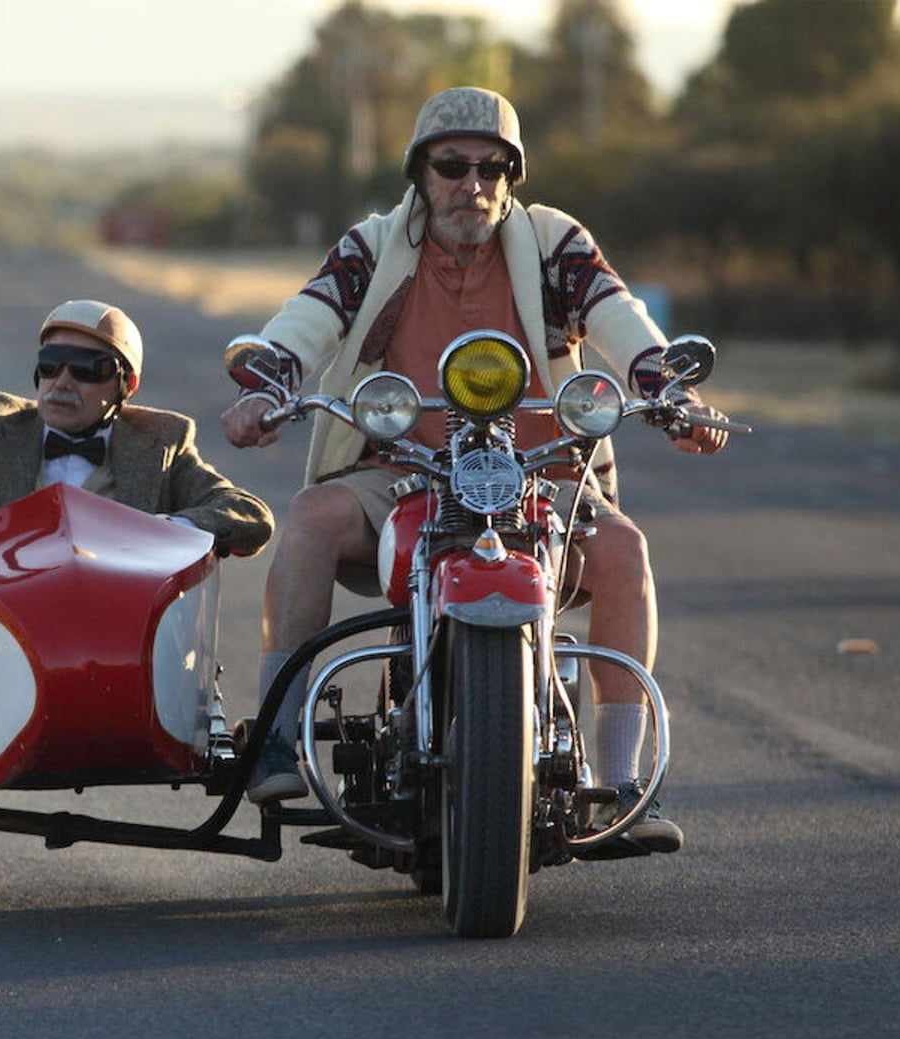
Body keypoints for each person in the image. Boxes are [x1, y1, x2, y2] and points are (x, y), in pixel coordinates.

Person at [220, 87, 730, 857]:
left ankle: (623, 784)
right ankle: (278, 740)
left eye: (494, 169)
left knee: (623, 550)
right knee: (314, 517)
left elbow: (618, 315)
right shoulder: (373, 245)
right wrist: (270, 382)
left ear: (512, 179)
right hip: (403, 467)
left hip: (536, 466)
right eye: (453, 166)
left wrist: (669, 390)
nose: (474, 185)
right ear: (420, 174)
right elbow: (309, 315)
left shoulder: (554, 242)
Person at [0, 272, 274, 557]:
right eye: (51, 364)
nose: (64, 381)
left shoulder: (161, 443)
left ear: (127, 386)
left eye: (88, 369)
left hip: (118, 635)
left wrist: (169, 531)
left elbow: (249, 514)